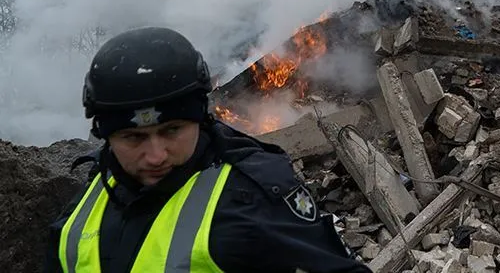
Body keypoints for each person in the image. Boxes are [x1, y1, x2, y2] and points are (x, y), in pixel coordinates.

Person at [45, 26, 371, 273]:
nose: (156, 155)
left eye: (172, 130)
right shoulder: (79, 214)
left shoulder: (255, 197)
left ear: (201, 118)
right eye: (133, 138)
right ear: (103, 135)